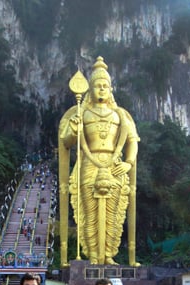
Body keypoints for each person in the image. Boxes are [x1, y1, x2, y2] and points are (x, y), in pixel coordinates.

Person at [58, 56, 139, 266]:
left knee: (113, 213)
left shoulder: (120, 115)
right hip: (89, 164)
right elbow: (65, 141)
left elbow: (132, 140)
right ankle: (93, 255)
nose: (102, 89)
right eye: (97, 86)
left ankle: (109, 254)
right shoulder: (81, 113)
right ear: (90, 89)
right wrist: (75, 129)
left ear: (111, 88)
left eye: (105, 85)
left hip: (114, 164)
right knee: (89, 211)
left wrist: (128, 163)